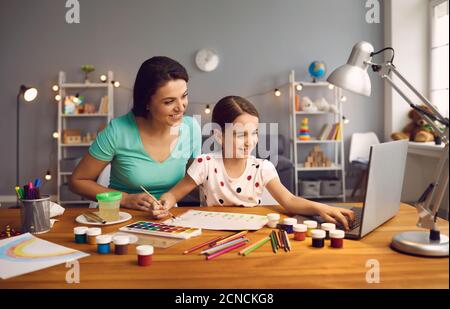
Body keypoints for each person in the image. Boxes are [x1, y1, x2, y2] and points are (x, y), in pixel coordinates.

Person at [156, 96, 354, 229]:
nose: (250, 141)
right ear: (219, 136)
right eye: (241, 134)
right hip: (212, 235)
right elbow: (174, 195)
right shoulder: (205, 164)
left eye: (255, 133)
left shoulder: (262, 167)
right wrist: (165, 202)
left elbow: (290, 201)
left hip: (253, 235)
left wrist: (322, 208)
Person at [69, 56, 201, 214]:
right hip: (121, 218)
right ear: (146, 101)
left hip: (167, 218)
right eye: (169, 102)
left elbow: (195, 181)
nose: (181, 107)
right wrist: (124, 199)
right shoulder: (117, 131)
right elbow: (78, 181)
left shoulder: (191, 128)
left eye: (184, 96)